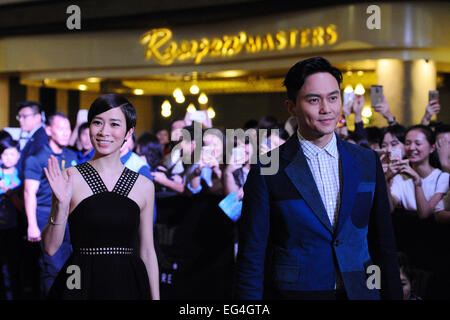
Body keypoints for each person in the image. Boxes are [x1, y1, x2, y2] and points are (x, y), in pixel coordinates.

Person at [234, 56, 402, 300]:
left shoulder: (367, 161)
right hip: (299, 292)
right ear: (291, 107)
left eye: (333, 98)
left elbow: (383, 243)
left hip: (361, 291)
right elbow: (252, 253)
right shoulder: (267, 168)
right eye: (314, 100)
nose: (327, 109)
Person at [42, 93, 159, 300]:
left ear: (128, 132)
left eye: (114, 124)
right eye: (97, 123)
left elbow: (148, 251)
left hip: (128, 282)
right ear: (89, 128)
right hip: (78, 279)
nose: (104, 132)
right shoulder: (69, 177)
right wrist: (60, 206)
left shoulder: (144, 186)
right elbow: (50, 248)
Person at [23, 112, 77, 297]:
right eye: (60, 128)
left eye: (68, 128)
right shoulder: (37, 158)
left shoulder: (72, 155)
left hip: (70, 217)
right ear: (49, 130)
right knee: (52, 266)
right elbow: (29, 192)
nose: (65, 133)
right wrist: (32, 225)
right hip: (46, 215)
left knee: (71, 264)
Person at [389, 125, 449, 219]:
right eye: (408, 143)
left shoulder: (442, 177)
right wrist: (386, 180)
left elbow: (425, 214)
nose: (412, 148)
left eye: (418, 143)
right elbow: (389, 208)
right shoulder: (399, 178)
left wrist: (417, 182)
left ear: (432, 148)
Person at [0, 139, 22, 299]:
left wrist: (8, 192)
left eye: (12, 154)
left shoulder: (22, 176)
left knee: (14, 266)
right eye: (5, 154)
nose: (9, 157)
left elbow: (23, 207)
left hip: (15, 228)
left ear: (18, 155)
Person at [15, 101, 48, 180]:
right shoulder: (34, 136)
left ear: (37, 117)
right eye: (19, 117)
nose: (20, 120)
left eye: (24, 116)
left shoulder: (42, 138)